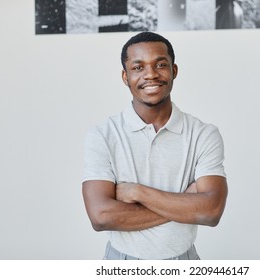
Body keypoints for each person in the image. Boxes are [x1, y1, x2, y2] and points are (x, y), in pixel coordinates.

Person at [82, 31, 228, 260]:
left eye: (160, 64)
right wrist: (185, 204)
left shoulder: (203, 134)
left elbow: (210, 212)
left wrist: (137, 192)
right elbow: (101, 217)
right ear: (125, 76)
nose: (150, 74)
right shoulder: (102, 135)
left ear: (174, 71)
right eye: (138, 67)